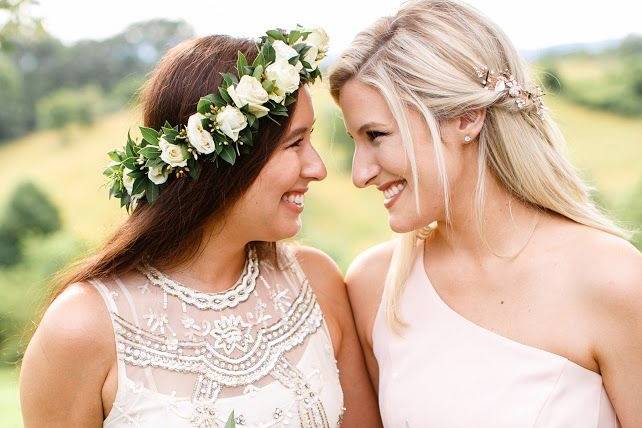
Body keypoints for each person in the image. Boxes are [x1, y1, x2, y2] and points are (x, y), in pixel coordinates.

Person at [20, 28, 381, 427]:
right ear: (225, 158)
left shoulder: (317, 283)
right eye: (294, 144)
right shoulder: (81, 328)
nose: (318, 168)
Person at [329, 1, 642, 427]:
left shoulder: (610, 279)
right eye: (355, 141)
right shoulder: (374, 288)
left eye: (376, 136)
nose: (360, 174)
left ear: (467, 118)